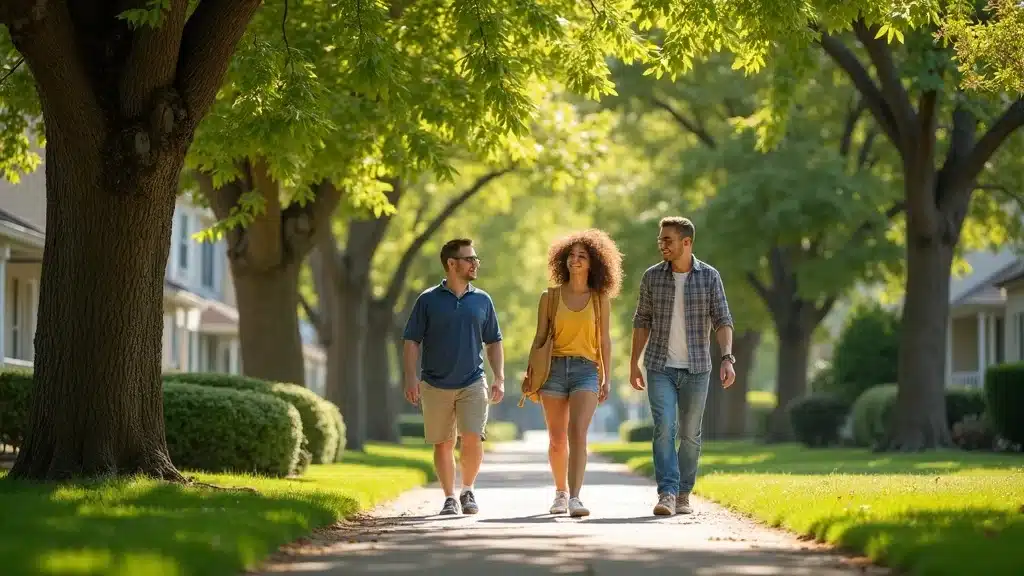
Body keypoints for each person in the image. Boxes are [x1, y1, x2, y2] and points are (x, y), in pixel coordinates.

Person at [629, 216, 735, 516]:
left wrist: (727, 357)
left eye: (668, 240)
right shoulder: (652, 277)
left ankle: (684, 493)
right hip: (659, 365)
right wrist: (634, 363)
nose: (661, 244)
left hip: (697, 368)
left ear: (686, 243)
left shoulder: (710, 277)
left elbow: (723, 320)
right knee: (664, 427)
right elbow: (641, 322)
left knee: (690, 434)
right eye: (660, 239)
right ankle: (667, 493)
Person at [402, 238, 505, 516]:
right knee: (444, 442)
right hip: (435, 382)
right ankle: (449, 497)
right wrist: (411, 378)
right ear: (451, 263)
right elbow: (411, 341)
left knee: (472, 437)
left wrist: (500, 377)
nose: (475, 264)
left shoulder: (482, 300)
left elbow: (493, 341)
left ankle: (468, 489)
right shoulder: (428, 300)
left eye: (475, 259)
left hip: (473, 380)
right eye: (469, 259)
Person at [529, 229, 622, 517]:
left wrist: (607, 376)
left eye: (582, 256)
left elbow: (605, 340)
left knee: (578, 433)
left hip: (586, 370)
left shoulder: (599, 299)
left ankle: (575, 498)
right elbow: (540, 337)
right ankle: (560, 493)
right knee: (557, 438)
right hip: (554, 369)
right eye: (572, 255)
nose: (576, 260)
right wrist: (531, 372)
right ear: (564, 260)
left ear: (594, 262)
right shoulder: (550, 297)